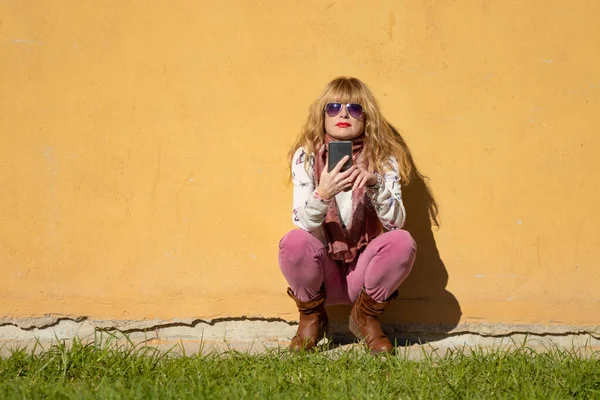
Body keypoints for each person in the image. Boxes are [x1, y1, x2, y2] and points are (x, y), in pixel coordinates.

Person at [278, 77, 417, 354]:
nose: (343, 114)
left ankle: (365, 318)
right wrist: (323, 193)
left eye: (355, 108)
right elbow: (302, 222)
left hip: (364, 275)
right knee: (294, 242)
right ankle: (311, 318)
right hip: (323, 274)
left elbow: (395, 223)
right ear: (323, 116)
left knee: (402, 241)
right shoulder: (305, 157)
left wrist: (375, 185)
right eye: (333, 107)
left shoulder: (383, 158)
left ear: (366, 118)